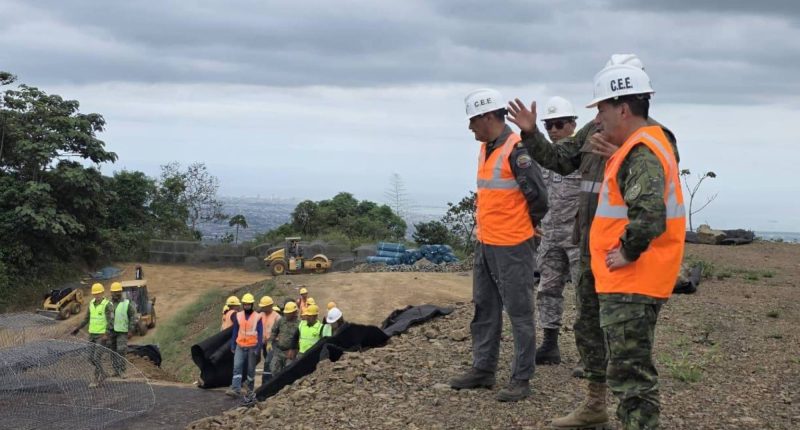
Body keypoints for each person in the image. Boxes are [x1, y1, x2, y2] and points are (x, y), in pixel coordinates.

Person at [507, 54, 679, 429]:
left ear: (623, 104)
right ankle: (595, 404)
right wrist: (532, 134)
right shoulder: (593, 131)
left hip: (629, 263)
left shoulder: (652, 142)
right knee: (589, 330)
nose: (596, 116)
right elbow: (558, 159)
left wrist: (623, 157)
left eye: (601, 106)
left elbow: (651, 200)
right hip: (593, 252)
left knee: (629, 357)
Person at [449, 88, 548, 403]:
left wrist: (525, 228)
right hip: (486, 244)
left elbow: (540, 199)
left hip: (513, 247)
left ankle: (521, 378)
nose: (470, 128)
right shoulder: (487, 148)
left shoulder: (516, 149)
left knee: (519, 313)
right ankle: (483, 369)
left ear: (488, 116)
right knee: (485, 308)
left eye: (472, 121)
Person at [534, 96, 583, 366]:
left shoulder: (585, 155)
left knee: (584, 294)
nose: (553, 130)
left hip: (577, 238)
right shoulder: (543, 159)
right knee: (548, 289)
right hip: (550, 236)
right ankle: (550, 345)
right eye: (548, 125)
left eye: (559, 124)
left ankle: (589, 355)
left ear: (573, 125)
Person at [71, 283, 112, 388]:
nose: (97, 295)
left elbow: (111, 321)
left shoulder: (107, 305)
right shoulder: (91, 303)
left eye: (99, 293)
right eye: (95, 294)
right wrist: (78, 328)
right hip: (92, 335)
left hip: (101, 336)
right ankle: (103, 373)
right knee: (90, 358)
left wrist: (106, 333)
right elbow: (86, 319)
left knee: (96, 357)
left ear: (102, 293)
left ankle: (95, 379)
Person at [226, 293, 263, 398]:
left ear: (252, 304)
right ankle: (235, 389)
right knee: (237, 367)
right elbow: (235, 331)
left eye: (248, 304)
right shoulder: (239, 315)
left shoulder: (257, 317)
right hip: (240, 345)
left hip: (252, 346)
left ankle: (250, 391)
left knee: (251, 370)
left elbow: (260, 333)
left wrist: (258, 347)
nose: (246, 306)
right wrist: (233, 344)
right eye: (245, 304)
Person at [107, 281, 136, 378]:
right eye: (114, 292)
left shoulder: (126, 303)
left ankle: (122, 371)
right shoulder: (108, 303)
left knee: (121, 350)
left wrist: (131, 329)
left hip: (122, 331)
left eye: (118, 292)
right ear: (111, 292)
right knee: (113, 351)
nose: (116, 294)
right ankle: (115, 370)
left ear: (121, 292)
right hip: (111, 331)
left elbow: (132, 316)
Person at [270, 301, 300, 375]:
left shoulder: (300, 324)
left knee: (288, 372)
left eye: (288, 313)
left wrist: (295, 350)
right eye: (285, 312)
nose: (286, 314)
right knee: (274, 369)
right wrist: (270, 343)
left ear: (294, 313)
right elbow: (274, 331)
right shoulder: (281, 321)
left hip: (291, 352)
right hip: (279, 351)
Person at [258, 295, 281, 384]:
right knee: (268, 360)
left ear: (269, 306)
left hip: (273, 343)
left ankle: (266, 382)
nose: (262, 308)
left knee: (268, 362)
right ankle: (272, 379)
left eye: (264, 306)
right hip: (264, 343)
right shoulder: (260, 315)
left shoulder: (277, 317)